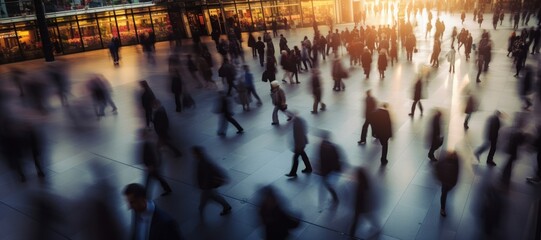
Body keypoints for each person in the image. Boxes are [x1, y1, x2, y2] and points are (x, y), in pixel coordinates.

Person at [192, 146, 232, 216]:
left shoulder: (203, 162)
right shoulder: (203, 160)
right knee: (213, 196)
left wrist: (204, 185)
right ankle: (226, 206)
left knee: (206, 198)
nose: (194, 155)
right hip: (208, 185)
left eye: (195, 153)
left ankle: (201, 209)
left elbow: (207, 175)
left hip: (207, 185)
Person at [139, 129, 172, 196]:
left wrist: (151, 165)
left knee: (149, 180)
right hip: (153, 166)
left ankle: (145, 194)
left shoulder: (148, 143)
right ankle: (167, 189)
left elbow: (152, 155)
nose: (141, 136)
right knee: (157, 178)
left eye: (142, 134)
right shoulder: (149, 142)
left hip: (152, 166)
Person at [318, 131, 341, 203]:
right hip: (329, 169)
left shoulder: (323, 146)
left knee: (327, 183)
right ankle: (335, 196)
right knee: (328, 183)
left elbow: (323, 159)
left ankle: (335, 197)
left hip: (327, 170)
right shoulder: (331, 146)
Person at [436, 152, 459, 217]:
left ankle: (442, 208)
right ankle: (442, 208)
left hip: (450, 180)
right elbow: (438, 167)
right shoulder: (445, 159)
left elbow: (457, 170)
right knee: (444, 192)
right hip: (446, 180)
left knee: (445, 191)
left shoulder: (455, 160)